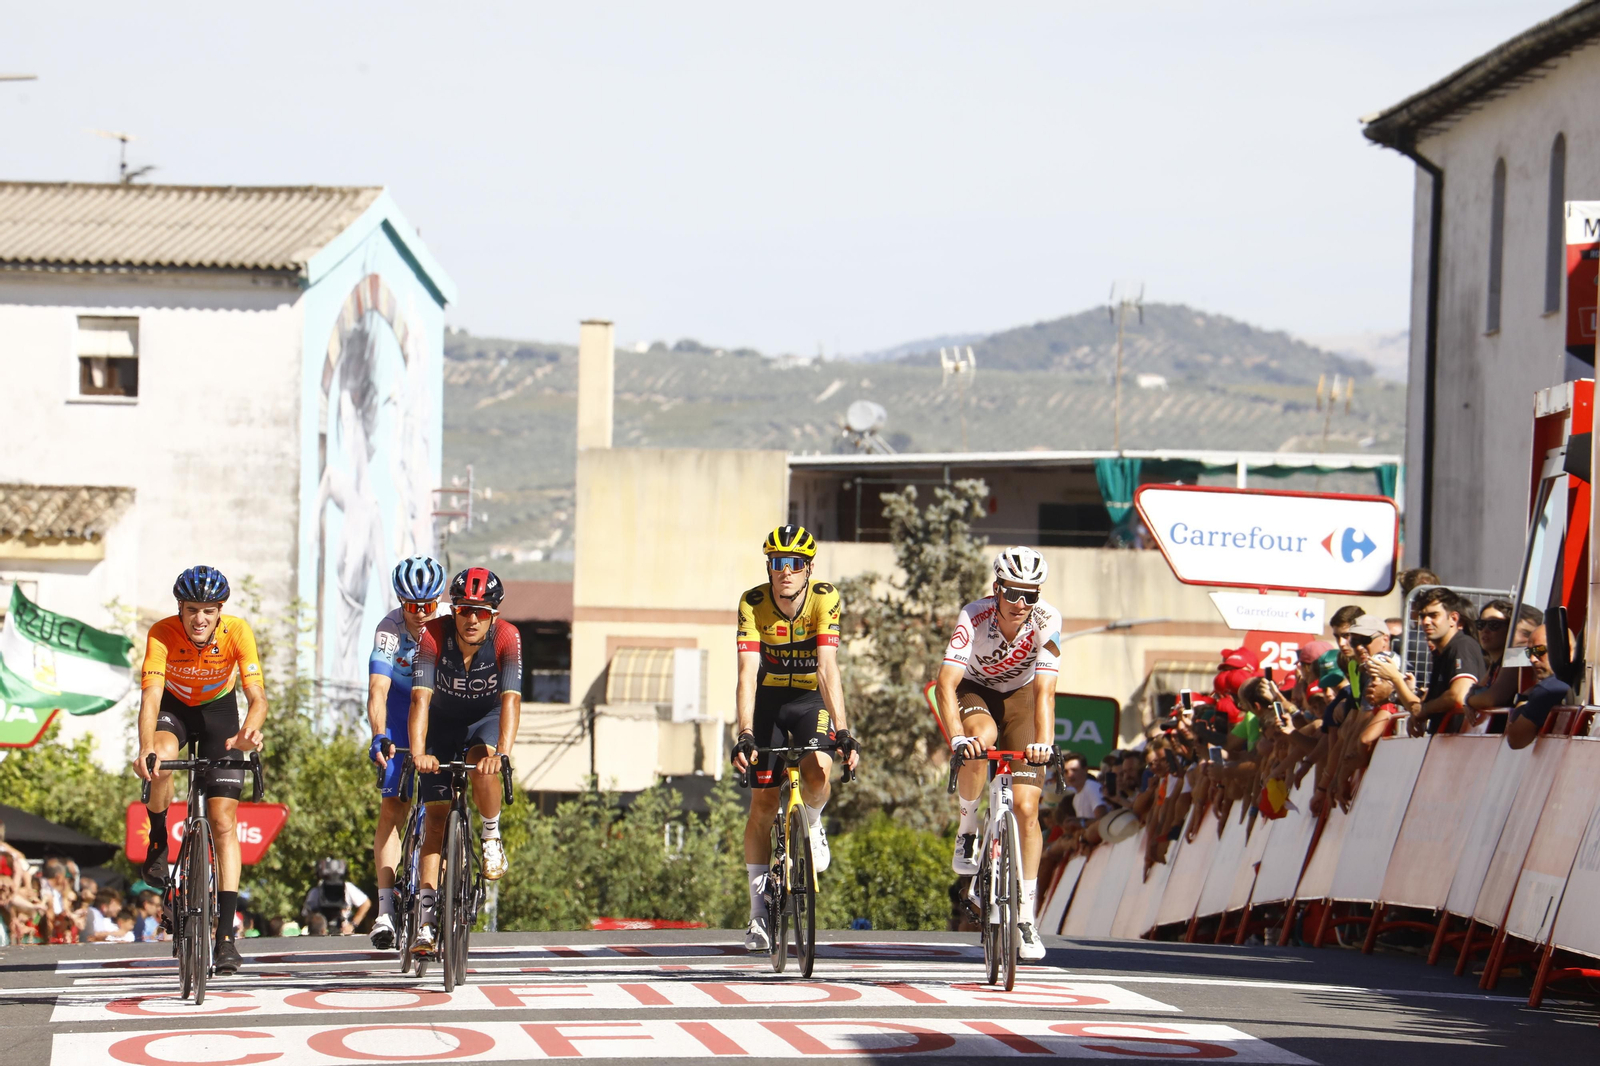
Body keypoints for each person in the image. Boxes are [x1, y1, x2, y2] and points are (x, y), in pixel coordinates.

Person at [730, 525, 860, 953]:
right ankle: (756, 914)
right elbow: (747, 673)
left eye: (795, 564)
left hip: (808, 698)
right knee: (763, 804)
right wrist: (745, 732)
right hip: (768, 699)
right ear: (769, 567)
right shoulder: (752, 603)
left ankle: (814, 822)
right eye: (778, 563)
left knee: (820, 770)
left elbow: (827, 668)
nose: (786, 572)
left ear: (808, 569)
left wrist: (841, 730)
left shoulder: (825, 598)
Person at [133, 565, 267, 977]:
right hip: (173, 709)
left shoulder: (238, 632)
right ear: (180, 608)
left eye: (209, 611)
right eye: (192, 610)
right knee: (161, 758)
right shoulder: (162, 633)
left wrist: (250, 732)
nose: (200, 619)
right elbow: (151, 698)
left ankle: (225, 937)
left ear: (220, 611)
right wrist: (144, 749)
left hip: (218, 713)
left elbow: (257, 697)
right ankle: (159, 836)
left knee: (224, 821)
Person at [935, 545, 1060, 961]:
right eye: (1013, 593)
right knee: (980, 739)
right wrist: (956, 739)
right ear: (996, 589)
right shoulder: (974, 616)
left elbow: (1045, 691)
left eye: (1031, 596)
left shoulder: (1048, 621)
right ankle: (968, 827)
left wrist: (1044, 743)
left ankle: (1025, 915)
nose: (1022, 604)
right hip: (976, 691)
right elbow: (946, 683)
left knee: (1026, 806)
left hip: (1022, 697)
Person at [409, 567, 522, 955]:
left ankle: (490, 833)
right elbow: (420, 699)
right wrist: (419, 752)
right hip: (441, 723)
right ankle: (425, 922)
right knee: (436, 819)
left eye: (482, 612)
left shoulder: (508, 638)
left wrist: (503, 754)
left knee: (482, 763)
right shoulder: (433, 636)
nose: (472, 620)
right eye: (464, 611)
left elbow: (510, 701)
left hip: (484, 721)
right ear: (453, 610)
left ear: (494, 615)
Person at [365, 555, 448, 950]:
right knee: (393, 805)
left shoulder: (451, 622)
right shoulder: (389, 629)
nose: (420, 615)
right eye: (412, 607)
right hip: (399, 712)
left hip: (440, 710)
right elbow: (378, 690)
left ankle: (436, 900)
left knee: (443, 811)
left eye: (428, 606)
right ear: (401, 602)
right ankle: (385, 908)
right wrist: (380, 734)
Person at [1414, 587, 1487, 734]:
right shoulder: (1442, 653)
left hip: (1462, 744)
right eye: (1423, 616)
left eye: (1433, 615)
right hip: (1445, 742)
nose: (1426, 621)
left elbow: (1459, 695)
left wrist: (1425, 709)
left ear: (1453, 618)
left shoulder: (1462, 645)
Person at [300, 858, 372, 935]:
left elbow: (366, 903)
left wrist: (352, 925)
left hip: (344, 933)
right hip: (322, 935)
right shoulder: (315, 892)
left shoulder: (348, 888)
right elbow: (306, 913)